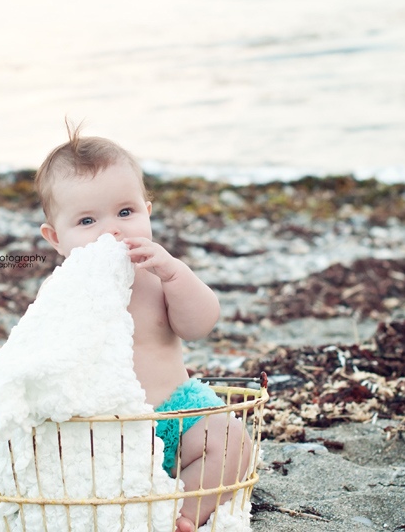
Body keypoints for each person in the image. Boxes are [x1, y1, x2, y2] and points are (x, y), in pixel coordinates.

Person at [35, 123, 252, 532]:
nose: (112, 230)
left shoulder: (158, 276)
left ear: (147, 212)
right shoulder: (62, 292)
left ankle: (181, 511)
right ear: (55, 238)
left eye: (125, 212)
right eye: (87, 221)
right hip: (101, 431)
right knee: (55, 459)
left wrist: (176, 275)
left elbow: (199, 325)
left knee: (232, 440)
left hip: (177, 414)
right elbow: (45, 359)